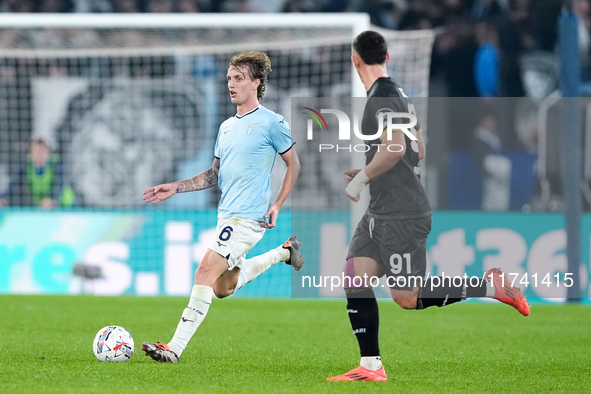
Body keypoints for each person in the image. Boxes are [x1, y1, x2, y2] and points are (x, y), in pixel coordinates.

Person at [327, 31, 529, 382]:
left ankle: (490, 287)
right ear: (386, 58)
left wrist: (363, 179)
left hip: (401, 213)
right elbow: (418, 148)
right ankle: (371, 366)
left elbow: (393, 149)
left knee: (407, 297)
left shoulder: (381, 98)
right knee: (355, 279)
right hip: (384, 209)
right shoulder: (399, 93)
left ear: (354, 60)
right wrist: (372, 170)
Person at [141, 51, 303, 363]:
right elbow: (214, 174)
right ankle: (285, 251)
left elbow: (294, 165)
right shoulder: (227, 126)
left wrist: (278, 204)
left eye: (239, 78)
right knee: (221, 287)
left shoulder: (272, 122)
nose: (231, 84)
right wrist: (176, 187)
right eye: (229, 78)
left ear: (256, 83)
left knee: (203, 272)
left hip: (248, 217)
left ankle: (173, 349)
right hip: (226, 216)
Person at [0, 137, 74, 209]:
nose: (39, 154)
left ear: (48, 153)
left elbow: (59, 184)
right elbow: (13, 184)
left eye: (42, 150)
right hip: (40, 206)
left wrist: (51, 199)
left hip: (63, 206)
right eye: (36, 151)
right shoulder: (25, 165)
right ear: (30, 154)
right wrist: (4, 198)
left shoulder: (57, 163)